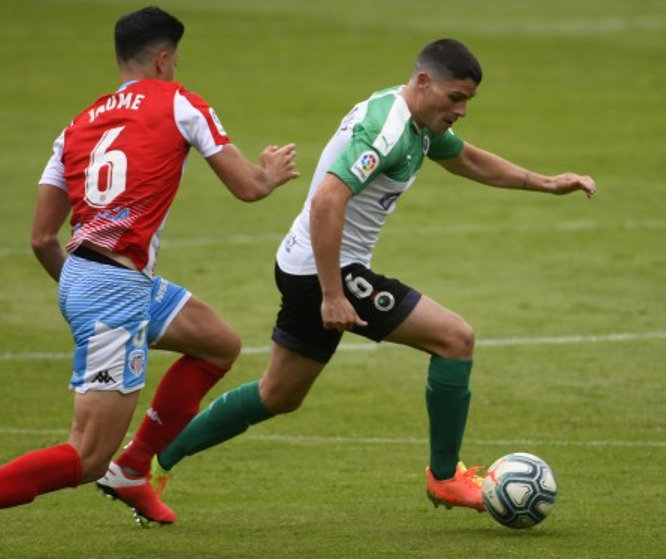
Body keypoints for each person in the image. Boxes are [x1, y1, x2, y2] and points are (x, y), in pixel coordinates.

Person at [143, 38, 596, 516]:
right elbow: (327, 200)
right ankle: (444, 478)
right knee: (455, 339)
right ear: (423, 82)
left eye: (468, 101)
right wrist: (333, 294)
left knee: (278, 395)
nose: (462, 110)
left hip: (305, 265)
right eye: (455, 97)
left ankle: (155, 461)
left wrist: (546, 183)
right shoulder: (388, 129)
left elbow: (468, 159)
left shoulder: (417, 120)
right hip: (327, 271)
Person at [0, 7, 299, 557]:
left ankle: (134, 469)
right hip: (115, 292)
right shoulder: (180, 102)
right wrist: (271, 173)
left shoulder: (77, 125)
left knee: (218, 344)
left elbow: (43, 238)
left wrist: (83, 290)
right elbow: (249, 188)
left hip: (95, 278)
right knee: (86, 454)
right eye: (176, 58)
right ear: (164, 59)